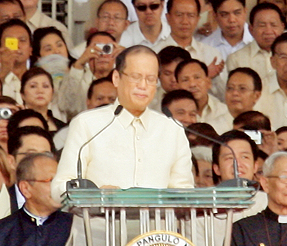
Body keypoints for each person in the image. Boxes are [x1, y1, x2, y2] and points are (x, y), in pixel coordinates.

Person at [52, 45, 194, 245]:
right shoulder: (88, 124)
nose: (143, 85)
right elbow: (59, 187)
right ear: (116, 78)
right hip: (98, 236)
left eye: (151, 79)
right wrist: (95, 196)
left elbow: (184, 194)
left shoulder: (172, 129)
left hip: (156, 238)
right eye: (136, 77)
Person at [193, 130, 267, 246]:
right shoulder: (199, 208)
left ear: (255, 166)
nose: (237, 164)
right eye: (229, 158)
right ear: (216, 168)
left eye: (244, 157)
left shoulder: (268, 202)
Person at [153, 0, 227, 102]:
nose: (185, 21)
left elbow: (224, 97)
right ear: (168, 18)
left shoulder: (212, 55)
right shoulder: (153, 54)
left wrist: (209, 79)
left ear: (198, 19)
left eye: (190, 15)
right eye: (179, 15)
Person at [0, 152, 73, 246]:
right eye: (51, 180)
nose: (59, 187)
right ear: (25, 188)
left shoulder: (76, 226)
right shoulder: (2, 232)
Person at [58, 31, 118, 120]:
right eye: (97, 48)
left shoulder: (123, 79)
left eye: (107, 48)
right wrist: (79, 63)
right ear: (87, 51)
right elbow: (65, 106)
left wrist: (126, 57)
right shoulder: (77, 77)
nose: (103, 55)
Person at [226, 3, 285, 79]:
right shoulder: (236, 59)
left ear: (282, 27)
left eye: (273, 25)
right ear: (251, 29)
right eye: (262, 25)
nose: (268, 31)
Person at [6, 126, 56, 214]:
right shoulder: (2, 199)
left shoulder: (63, 201)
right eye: (31, 155)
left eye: (45, 155)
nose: (39, 162)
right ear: (11, 161)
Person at [175, 59, 229, 131]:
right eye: (185, 80)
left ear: (208, 82)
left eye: (197, 77)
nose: (192, 84)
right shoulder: (171, 114)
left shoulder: (224, 111)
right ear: (177, 86)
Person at [214, 67, 262, 135]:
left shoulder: (265, 129)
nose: (235, 93)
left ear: (256, 96)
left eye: (242, 88)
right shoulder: (213, 128)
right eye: (230, 88)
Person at [20, 67, 66, 135]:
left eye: (45, 86)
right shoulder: (14, 124)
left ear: (52, 93)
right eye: (33, 86)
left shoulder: (63, 129)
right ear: (22, 94)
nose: (40, 91)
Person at [0, 19, 32, 104]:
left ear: (30, 49)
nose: (17, 46)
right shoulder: (0, 77)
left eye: (22, 40)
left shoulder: (40, 79)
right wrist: (3, 74)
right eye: (11, 42)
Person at [149, 45, 191, 111]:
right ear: (158, 74)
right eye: (167, 74)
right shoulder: (148, 99)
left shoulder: (200, 98)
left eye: (177, 73)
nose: (173, 79)